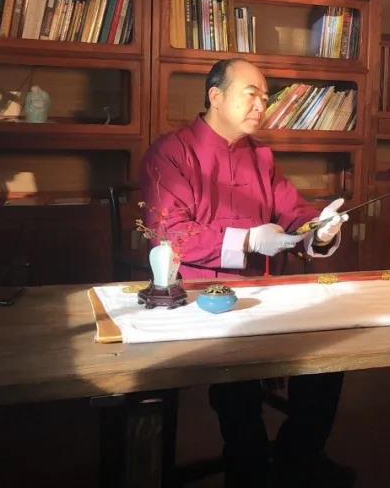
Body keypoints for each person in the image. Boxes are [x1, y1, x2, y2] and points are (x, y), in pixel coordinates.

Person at [140, 57, 353, 488]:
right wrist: (249, 240)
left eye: (265, 97)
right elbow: (170, 233)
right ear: (216, 96)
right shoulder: (171, 151)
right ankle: (247, 464)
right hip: (198, 293)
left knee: (329, 352)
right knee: (237, 375)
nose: (261, 105)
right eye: (251, 94)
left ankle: (299, 455)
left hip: (264, 290)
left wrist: (319, 229)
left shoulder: (260, 155)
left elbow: (293, 211)